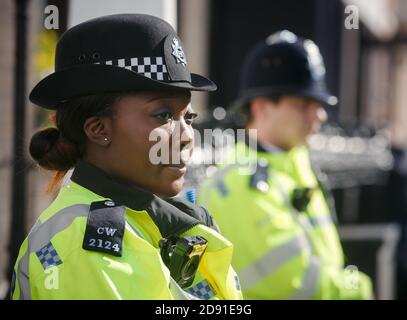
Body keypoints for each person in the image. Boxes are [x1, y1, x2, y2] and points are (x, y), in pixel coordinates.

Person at [11, 14, 242, 300]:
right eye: (164, 116)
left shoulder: (150, 219)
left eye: (188, 117)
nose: (185, 136)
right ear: (98, 129)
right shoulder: (84, 244)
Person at [198, 30, 372, 299]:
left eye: (319, 104)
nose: (320, 115)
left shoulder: (294, 162)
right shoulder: (238, 182)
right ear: (261, 107)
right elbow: (294, 284)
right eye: (304, 103)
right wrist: (358, 288)